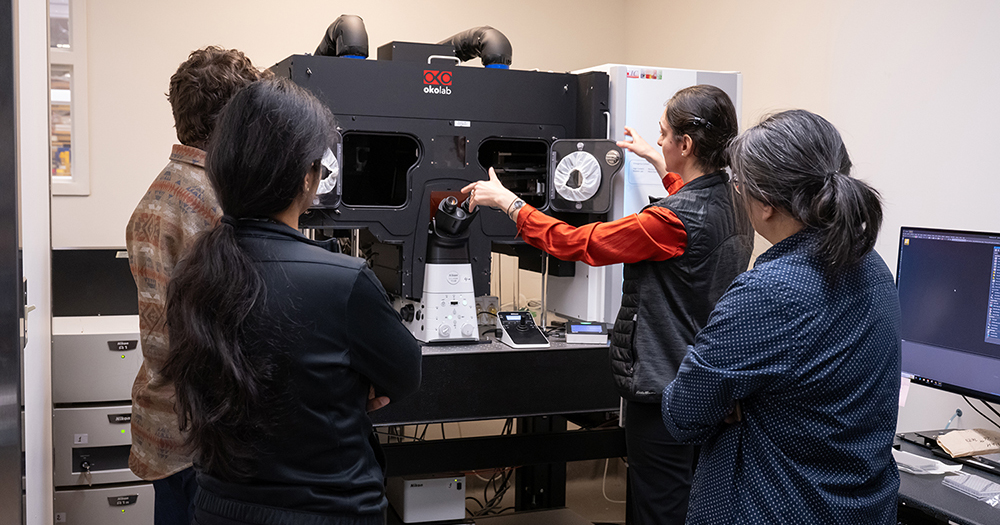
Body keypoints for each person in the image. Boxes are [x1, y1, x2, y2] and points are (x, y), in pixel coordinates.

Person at [464, 84, 753, 524]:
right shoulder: (737, 202)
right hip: (703, 386)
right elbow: (694, 213)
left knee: (660, 509)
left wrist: (510, 203)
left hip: (661, 394)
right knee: (686, 502)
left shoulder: (669, 222)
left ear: (687, 144)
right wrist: (660, 164)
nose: (657, 140)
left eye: (662, 135)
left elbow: (579, 243)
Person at [160, 77, 422, 524]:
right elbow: (404, 376)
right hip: (327, 512)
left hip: (217, 509)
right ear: (307, 177)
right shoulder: (343, 282)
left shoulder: (192, 274)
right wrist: (348, 385)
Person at [661, 109, 900, 523]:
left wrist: (736, 401)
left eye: (738, 184)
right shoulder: (872, 266)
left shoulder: (768, 293)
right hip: (861, 508)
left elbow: (683, 414)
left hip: (776, 506)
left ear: (766, 203)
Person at [125, 46, 265, 525]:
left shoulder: (157, 193)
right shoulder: (215, 204)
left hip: (164, 425)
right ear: (231, 121)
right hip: (206, 436)